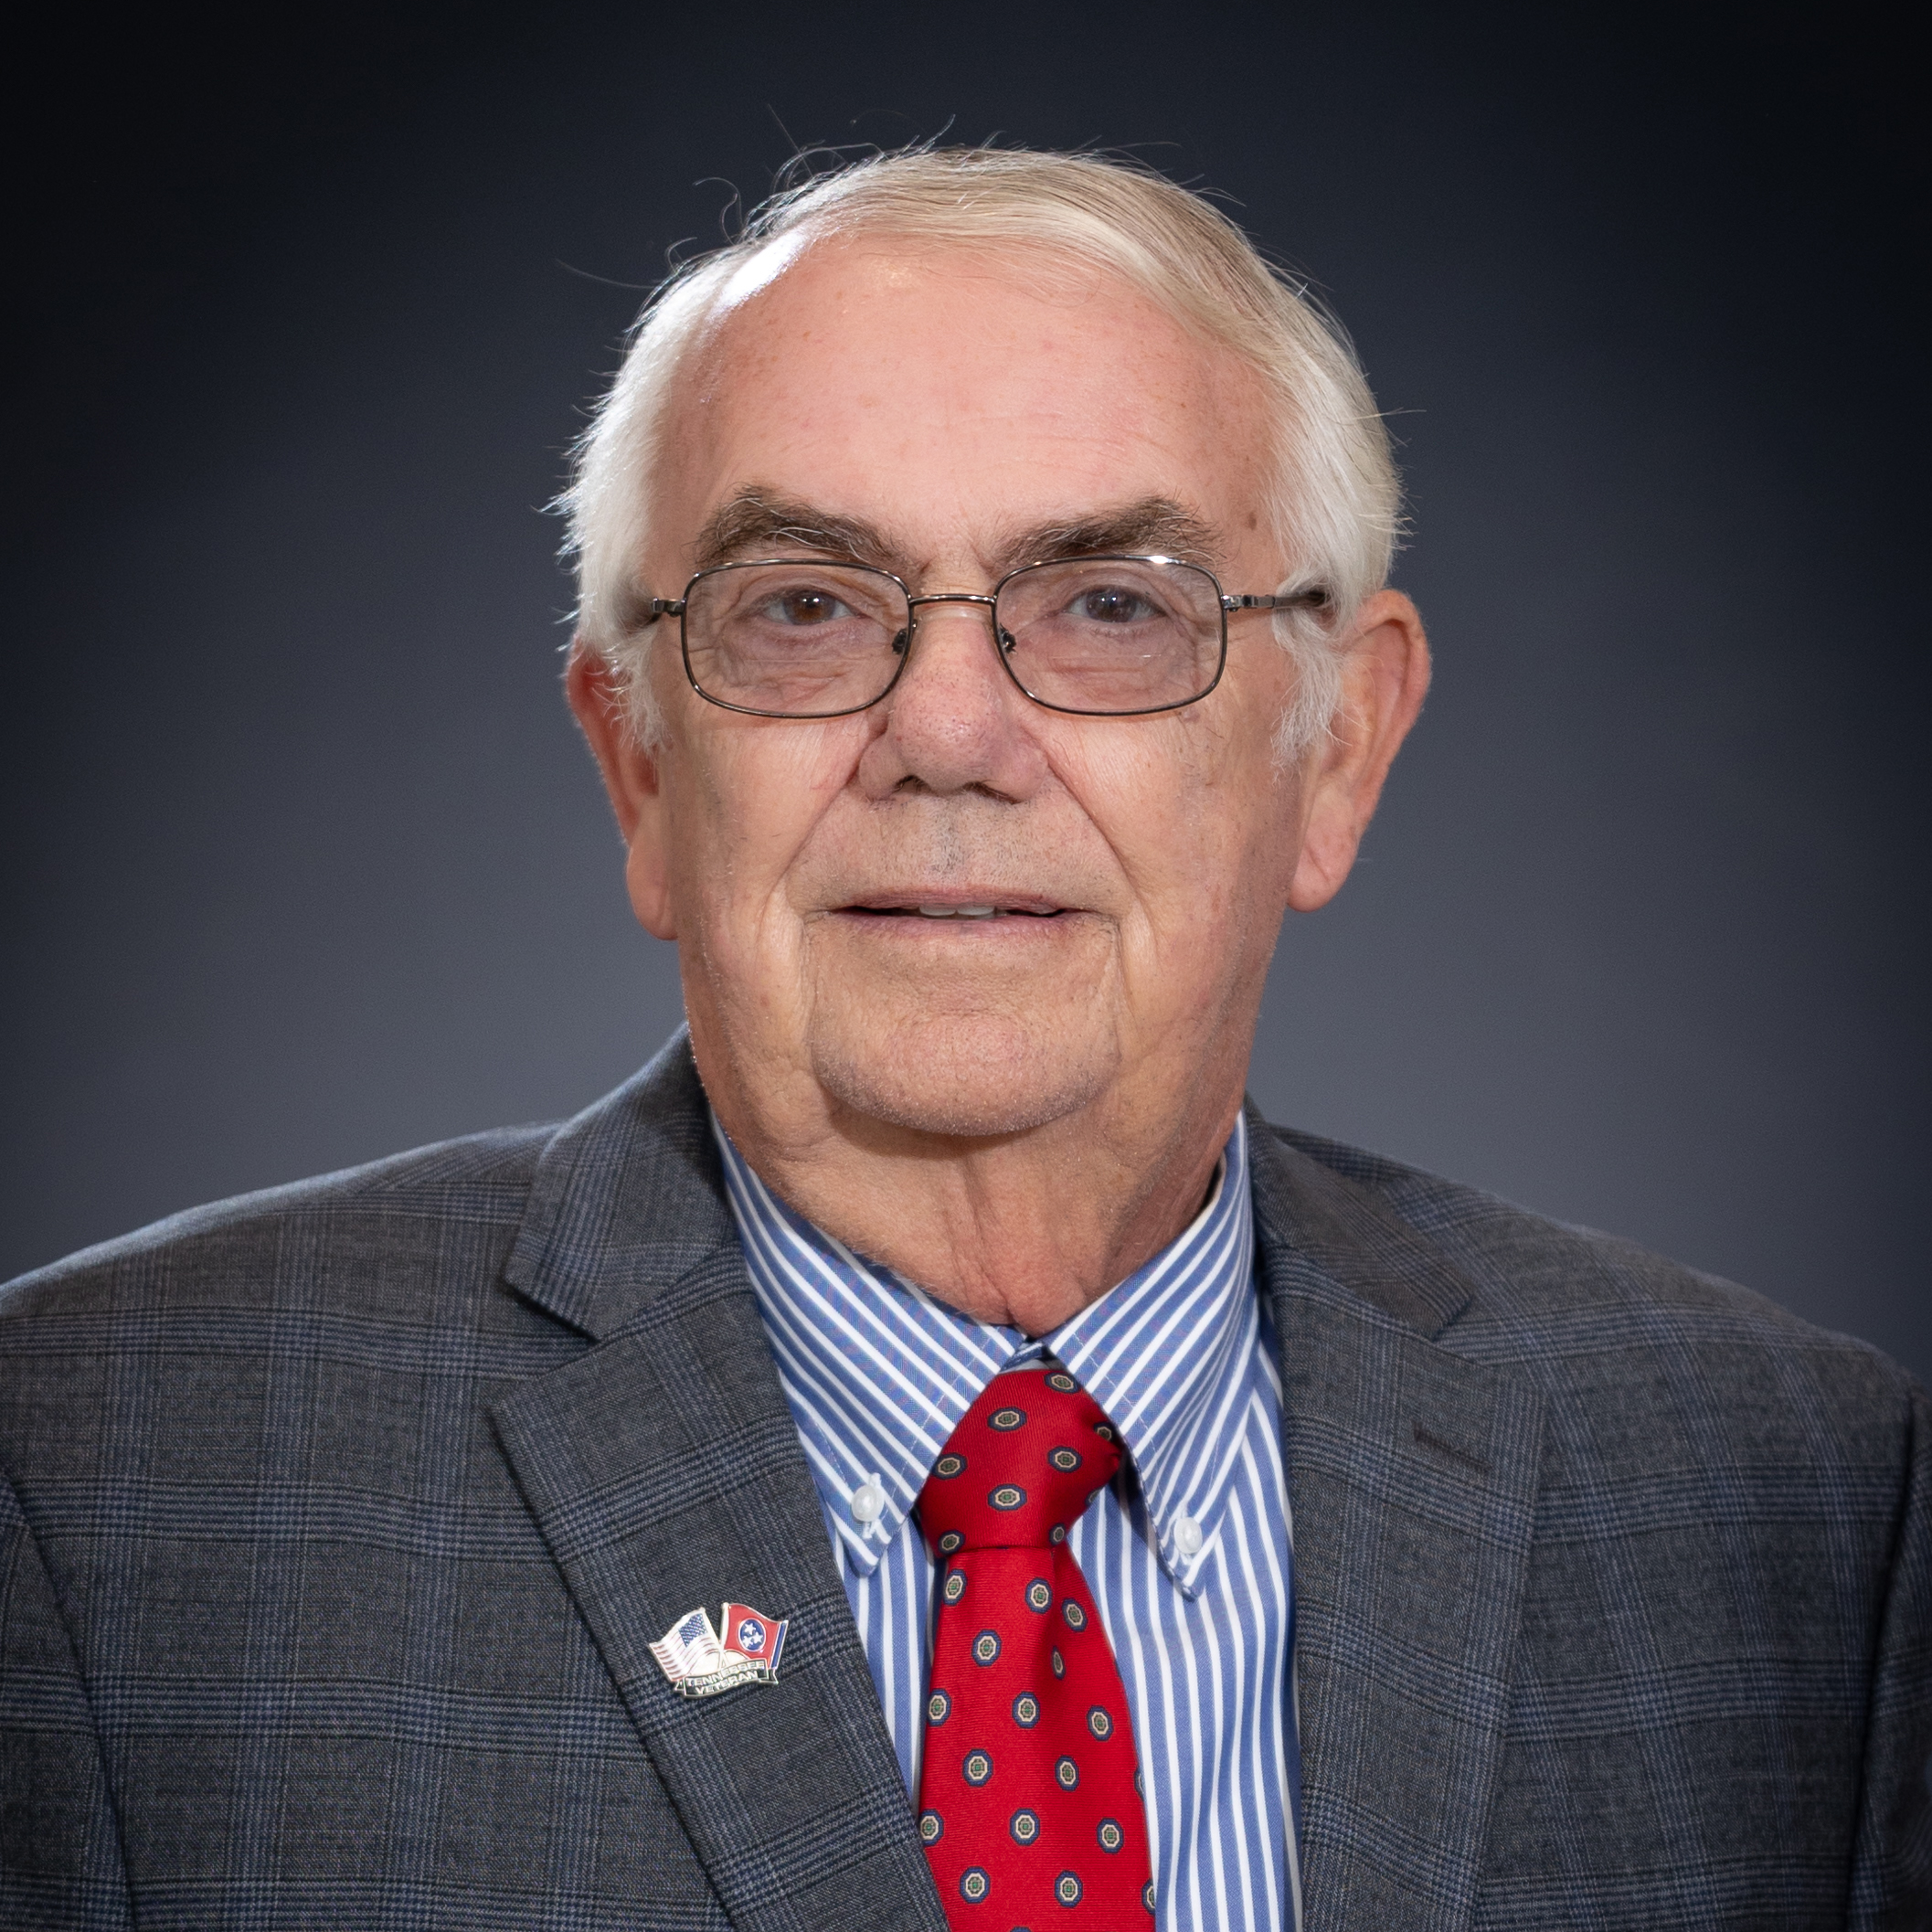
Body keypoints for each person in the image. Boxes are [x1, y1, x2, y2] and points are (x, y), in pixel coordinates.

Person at [2, 146, 1926, 1932]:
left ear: (1336, 746)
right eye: (804, 607)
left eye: (1107, 603)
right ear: (637, 766)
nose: (946, 731)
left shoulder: (1803, 1500)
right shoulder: (98, 1474)